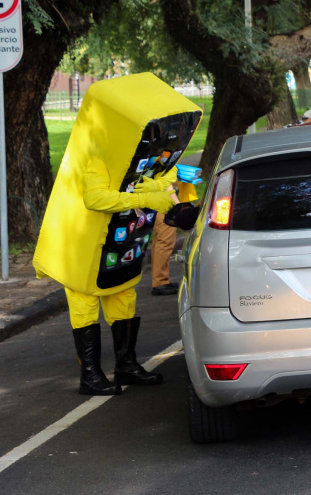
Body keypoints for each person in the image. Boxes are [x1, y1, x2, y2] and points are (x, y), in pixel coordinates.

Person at [33, 73, 199, 396]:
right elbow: (95, 198)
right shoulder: (96, 156)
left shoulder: (127, 158)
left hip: (116, 246)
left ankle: (126, 364)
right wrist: (145, 199)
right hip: (82, 249)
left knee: (123, 296)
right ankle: (90, 376)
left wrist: (172, 187)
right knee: (84, 305)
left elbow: (141, 181)